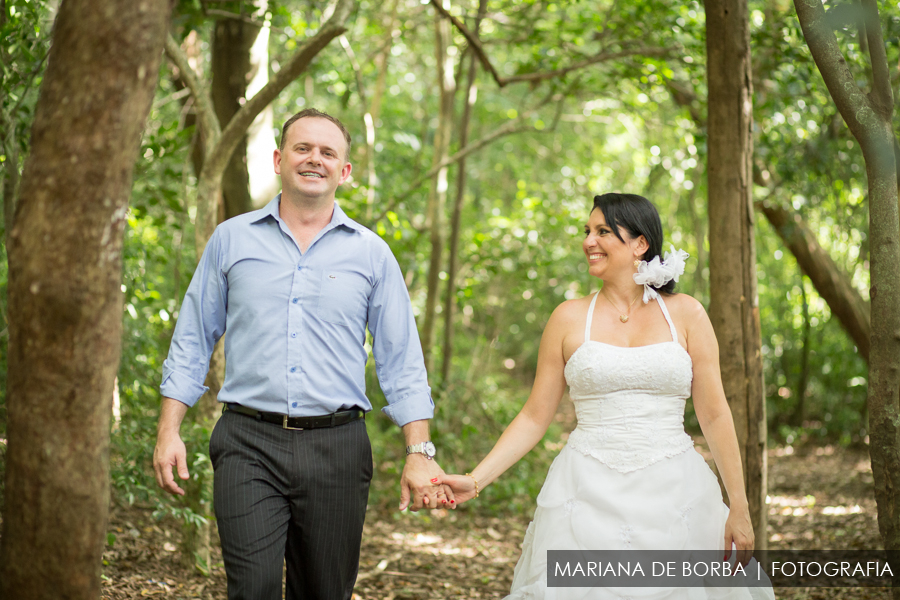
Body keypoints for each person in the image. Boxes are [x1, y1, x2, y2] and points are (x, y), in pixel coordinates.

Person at [153, 108, 451, 600]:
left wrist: (419, 454)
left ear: (345, 171)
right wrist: (169, 431)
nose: (315, 159)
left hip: (337, 447)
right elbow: (192, 339)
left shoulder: (372, 254)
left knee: (324, 591)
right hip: (248, 441)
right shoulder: (232, 239)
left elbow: (402, 361)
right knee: (254, 588)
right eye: (303, 148)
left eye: (328, 152)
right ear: (278, 159)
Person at [442, 193, 775, 599]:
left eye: (603, 231)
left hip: (676, 494)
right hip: (583, 492)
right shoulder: (567, 318)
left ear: (640, 243)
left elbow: (716, 415)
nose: (588, 241)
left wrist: (738, 506)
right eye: (587, 231)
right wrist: (476, 480)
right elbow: (533, 417)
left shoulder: (687, 314)